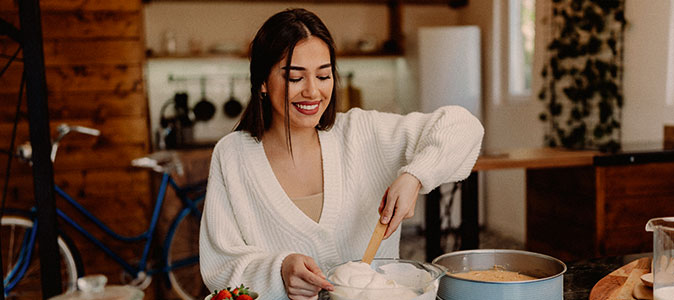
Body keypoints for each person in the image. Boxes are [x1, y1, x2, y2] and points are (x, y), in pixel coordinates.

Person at [199, 8, 484, 300]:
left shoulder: (362, 134)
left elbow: (463, 126)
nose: (313, 91)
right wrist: (280, 270)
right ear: (262, 82)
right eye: (296, 78)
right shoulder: (232, 156)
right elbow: (221, 268)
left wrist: (415, 176)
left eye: (323, 75)